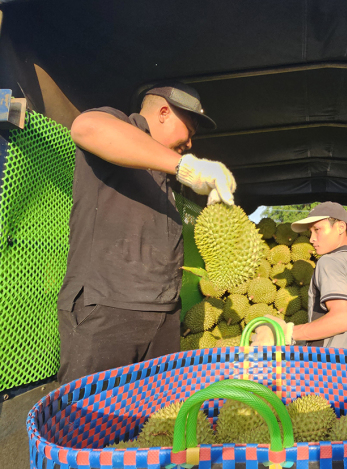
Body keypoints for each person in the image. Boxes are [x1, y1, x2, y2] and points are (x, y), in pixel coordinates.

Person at [57, 82, 236, 384]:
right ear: (164, 112)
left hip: (162, 314)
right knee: (95, 421)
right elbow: (86, 127)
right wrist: (187, 168)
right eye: (190, 129)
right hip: (109, 310)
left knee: (155, 424)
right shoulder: (120, 125)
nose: (191, 143)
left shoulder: (164, 178)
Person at [251, 202, 347, 351]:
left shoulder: (329, 261)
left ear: (341, 227)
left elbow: (342, 320)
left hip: (331, 369)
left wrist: (287, 333)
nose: (311, 239)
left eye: (317, 230)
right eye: (311, 232)